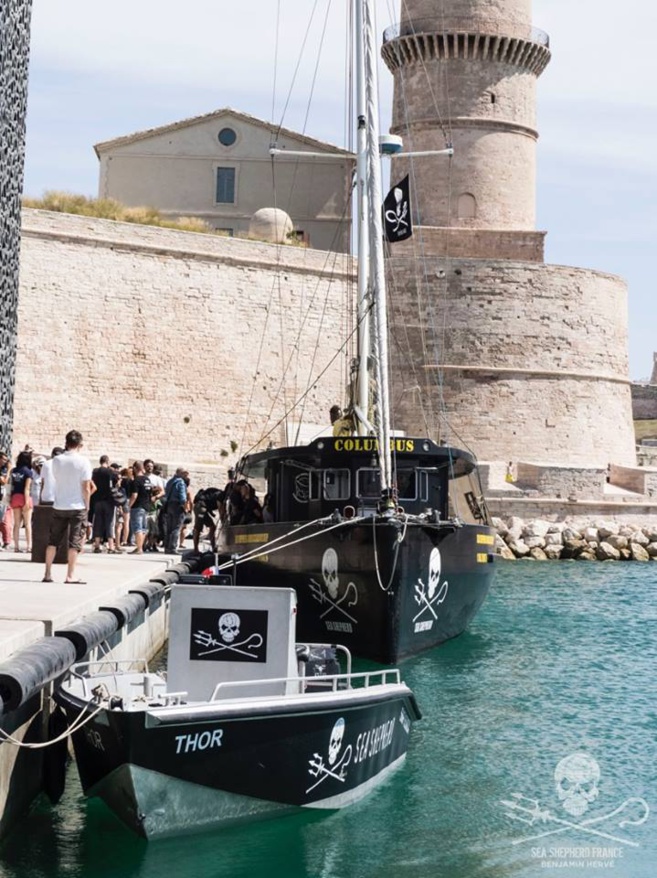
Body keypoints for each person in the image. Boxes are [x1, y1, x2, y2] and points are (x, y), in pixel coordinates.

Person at [43, 430, 93, 584]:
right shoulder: (84, 461)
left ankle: (47, 573)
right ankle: (70, 575)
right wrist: (87, 505)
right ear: (80, 444)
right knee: (75, 542)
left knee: (53, 541)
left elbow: (57, 478)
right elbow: (86, 487)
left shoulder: (57, 460)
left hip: (59, 504)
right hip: (77, 505)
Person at [91, 455, 120, 553]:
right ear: (107, 461)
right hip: (108, 500)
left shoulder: (95, 471)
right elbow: (117, 482)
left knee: (98, 523)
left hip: (97, 500)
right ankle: (111, 546)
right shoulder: (110, 472)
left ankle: (97, 545)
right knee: (109, 523)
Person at [127, 461, 155, 554]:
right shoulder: (147, 480)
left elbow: (134, 495)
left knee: (137, 528)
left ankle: (139, 549)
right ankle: (139, 547)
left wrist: (128, 506)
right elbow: (150, 494)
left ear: (135, 468)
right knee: (143, 528)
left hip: (138, 506)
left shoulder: (136, 480)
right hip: (146, 506)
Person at [10, 449, 33, 552]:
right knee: (27, 524)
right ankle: (29, 546)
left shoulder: (14, 471)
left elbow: (11, 485)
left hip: (15, 497)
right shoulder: (28, 472)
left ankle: (16, 546)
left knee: (16, 523)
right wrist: (27, 501)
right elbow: (27, 488)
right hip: (25, 497)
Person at [162, 467, 189, 553]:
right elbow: (183, 497)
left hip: (169, 505)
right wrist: (185, 507)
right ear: (180, 473)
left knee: (169, 527)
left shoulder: (170, 481)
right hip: (177, 505)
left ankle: (167, 547)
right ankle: (172, 548)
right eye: (184, 473)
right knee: (176, 527)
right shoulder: (180, 482)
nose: (186, 475)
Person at [192, 487, 224, 552]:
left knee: (212, 527)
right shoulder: (221, 495)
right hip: (201, 508)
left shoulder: (218, 493)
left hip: (200, 507)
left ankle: (213, 546)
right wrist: (222, 520)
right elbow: (220, 508)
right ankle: (196, 549)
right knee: (198, 528)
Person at [0, 450, 12, 549]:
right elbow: (4, 482)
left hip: (4, 496)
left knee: (5, 518)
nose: (5, 461)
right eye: (3, 459)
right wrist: (9, 471)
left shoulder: (4, 469)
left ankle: (6, 540)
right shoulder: (4, 470)